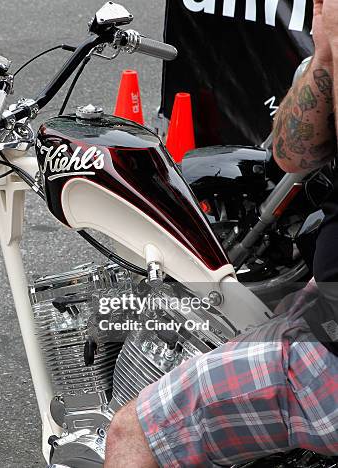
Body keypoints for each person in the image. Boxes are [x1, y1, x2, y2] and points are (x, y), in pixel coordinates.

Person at [105, 0, 338, 466]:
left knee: (130, 434)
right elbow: (293, 154)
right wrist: (325, 59)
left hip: (332, 351)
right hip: (325, 300)